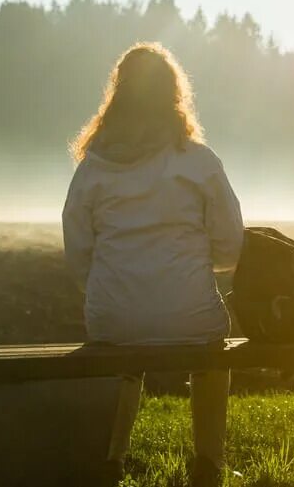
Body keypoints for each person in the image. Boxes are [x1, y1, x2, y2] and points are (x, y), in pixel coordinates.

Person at [62, 42, 243, 487]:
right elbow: (231, 243)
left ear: (118, 95)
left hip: (113, 318)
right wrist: (206, 265)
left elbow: (78, 247)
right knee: (210, 360)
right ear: (173, 96)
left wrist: (104, 288)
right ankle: (208, 465)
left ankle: (111, 461)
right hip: (191, 315)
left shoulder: (93, 167)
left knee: (124, 359)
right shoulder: (198, 162)